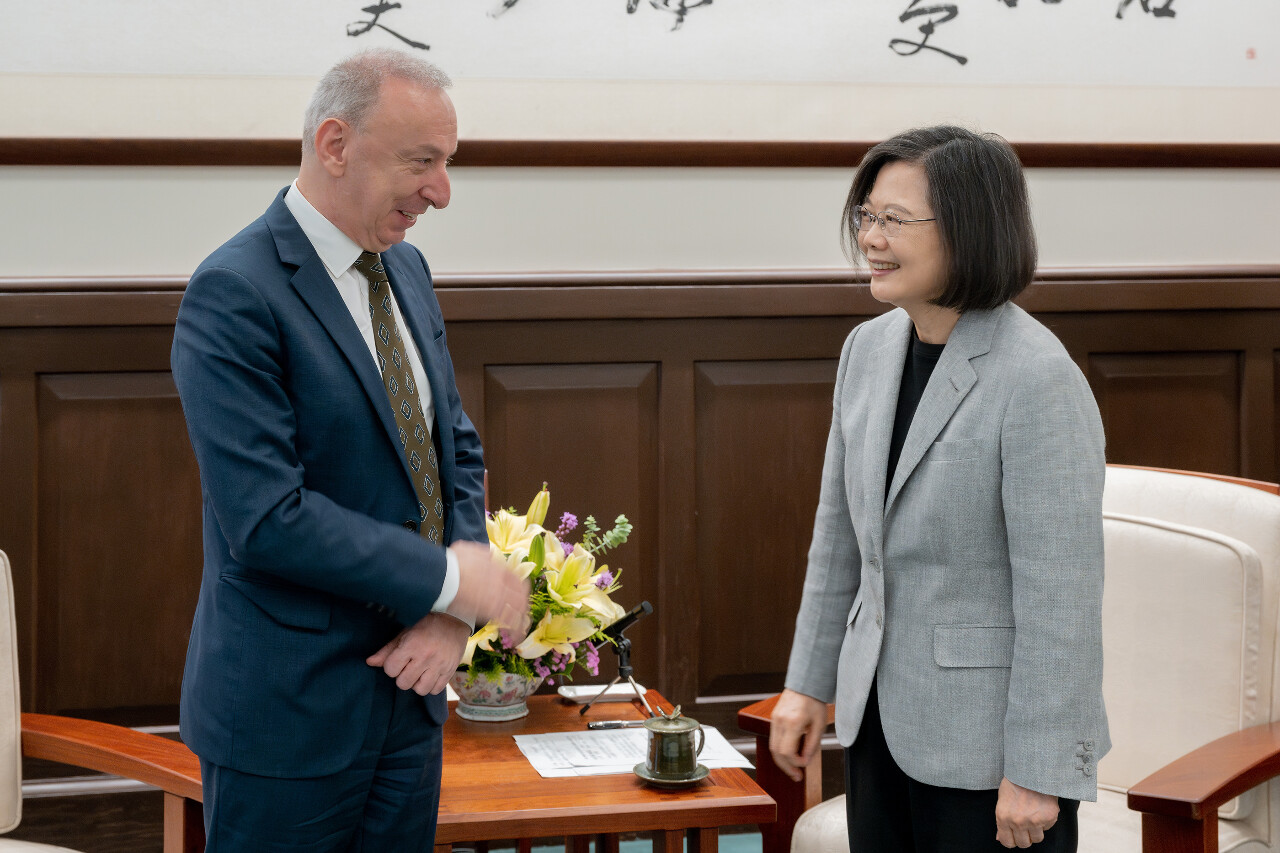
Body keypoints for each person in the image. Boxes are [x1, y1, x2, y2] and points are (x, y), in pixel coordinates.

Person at [171, 48, 530, 851]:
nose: (441, 191)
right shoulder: (233, 292)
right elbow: (267, 518)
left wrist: (451, 616)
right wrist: (450, 578)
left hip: (413, 697)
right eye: (422, 162)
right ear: (335, 144)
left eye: (447, 163)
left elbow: (454, 449)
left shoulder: (406, 270)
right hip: (289, 716)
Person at [769, 125, 1108, 852]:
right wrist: (807, 682)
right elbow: (839, 539)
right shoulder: (867, 349)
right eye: (866, 214)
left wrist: (1039, 769)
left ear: (968, 230)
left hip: (989, 756)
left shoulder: (1038, 377)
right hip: (876, 725)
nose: (870, 237)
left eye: (894, 219)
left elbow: (1062, 600)